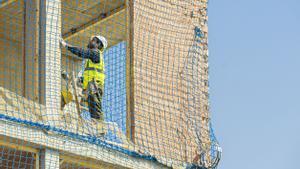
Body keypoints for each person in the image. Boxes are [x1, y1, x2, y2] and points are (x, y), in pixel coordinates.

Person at [60, 35, 108, 123]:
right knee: (69, 93)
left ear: (98, 44)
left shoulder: (96, 54)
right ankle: (59, 108)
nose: (90, 41)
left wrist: (66, 46)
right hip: (89, 86)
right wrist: (68, 78)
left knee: (94, 102)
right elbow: (81, 80)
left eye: (93, 40)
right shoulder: (91, 61)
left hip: (94, 85)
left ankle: (99, 128)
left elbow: (81, 52)